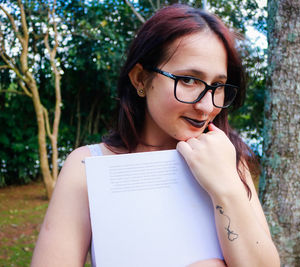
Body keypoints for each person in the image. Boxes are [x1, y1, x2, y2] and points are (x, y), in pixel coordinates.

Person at [31, 4, 280, 267]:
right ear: (140, 79)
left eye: (217, 86)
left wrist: (227, 187)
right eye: (188, 80)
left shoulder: (227, 159)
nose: (207, 106)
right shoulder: (86, 168)